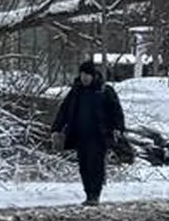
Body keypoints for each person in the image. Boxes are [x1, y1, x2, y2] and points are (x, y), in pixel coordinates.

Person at [51, 59, 126, 206]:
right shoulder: (76, 91)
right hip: (80, 135)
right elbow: (64, 111)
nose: (84, 78)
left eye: (87, 75)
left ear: (93, 75)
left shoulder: (104, 91)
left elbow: (116, 111)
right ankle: (88, 193)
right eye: (82, 74)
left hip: (99, 136)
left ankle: (94, 194)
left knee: (95, 165)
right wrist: (56, 128)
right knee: (84, 166)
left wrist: (118, 128)